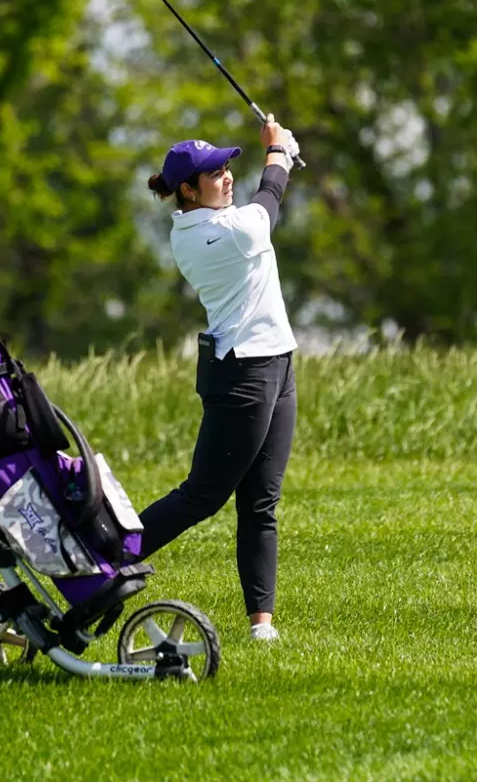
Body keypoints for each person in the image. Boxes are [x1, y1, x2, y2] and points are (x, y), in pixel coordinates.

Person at [138, 116, 300, 642]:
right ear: (188, 190)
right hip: (242, 374)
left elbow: (265, 200)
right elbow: (265, 211)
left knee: (261, 502)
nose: (228, 177)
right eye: (215, 174)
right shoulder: (204, 235)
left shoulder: (222, 219)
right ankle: (108, 558)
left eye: (229, 167)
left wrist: (280, 156)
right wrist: (277, 153)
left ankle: (262, 625)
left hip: (277, 362)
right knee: (201, 496)